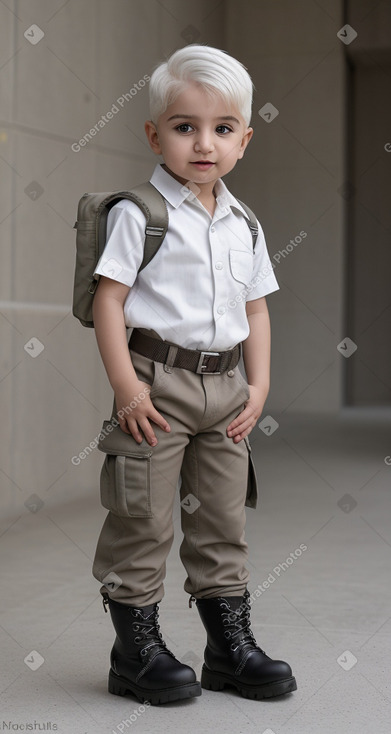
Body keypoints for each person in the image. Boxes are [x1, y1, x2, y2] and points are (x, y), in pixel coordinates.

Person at [91, 43, 297, 705]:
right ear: (155, 135)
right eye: (184, 127)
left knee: (220, 522)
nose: (203, 143)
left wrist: (258, 386)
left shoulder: (244, 223)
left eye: (221, 129)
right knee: (143, 518)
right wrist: (127, 387)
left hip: (226, 389)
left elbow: (255, 310)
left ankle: (228, 648)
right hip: (158, 383)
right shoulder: (140, 215)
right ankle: (136, 650)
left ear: (243, 138)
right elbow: (109, 301)